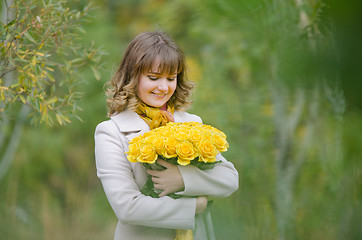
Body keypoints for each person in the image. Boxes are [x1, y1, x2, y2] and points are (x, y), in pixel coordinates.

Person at [94, 31, 239, 240]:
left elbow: (229, 179)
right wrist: (194, 206)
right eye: (153, 78)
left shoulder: (191, 122)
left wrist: (182, 179)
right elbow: (127, 207)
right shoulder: (110, 132)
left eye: (171, 78)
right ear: (133, 77)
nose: (163, 87)